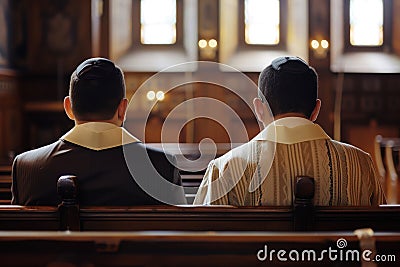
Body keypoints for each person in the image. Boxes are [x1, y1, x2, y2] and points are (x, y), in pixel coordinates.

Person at [194, 56, 385, 206]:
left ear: (260, 109)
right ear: (316, 109)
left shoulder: (225, 168)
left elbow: (202, 240)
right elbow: (382, 234)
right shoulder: (360, 164)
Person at [12, 57, 186, 206]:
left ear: (68, 108)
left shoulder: (26, 167)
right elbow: (179, 234)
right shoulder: (162, 165)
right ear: (123, 109)